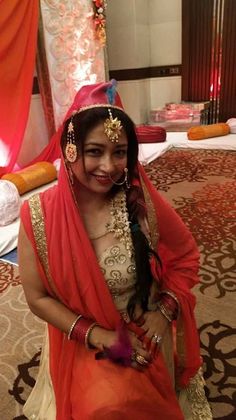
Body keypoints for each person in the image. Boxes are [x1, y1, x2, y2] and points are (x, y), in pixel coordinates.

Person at [18, 80, 212, 419]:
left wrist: (164, 311)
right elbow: (37, 298)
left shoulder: (140, 202)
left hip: (143, 330)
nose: (108, 167)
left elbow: (185, 256)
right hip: (84, 334)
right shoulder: (38, 215)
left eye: (119, 152)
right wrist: (98, 335)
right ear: (71, 149)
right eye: (95, 151)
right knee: (106, 406)